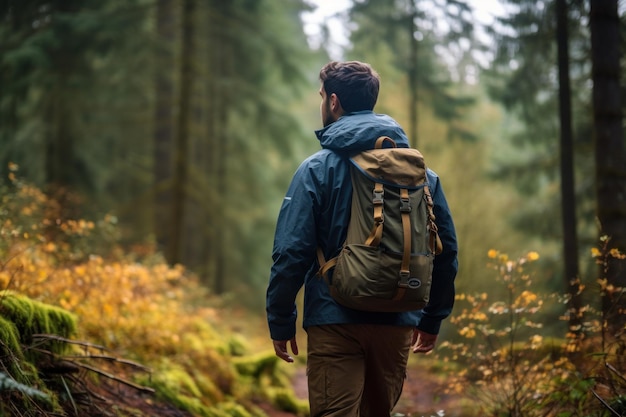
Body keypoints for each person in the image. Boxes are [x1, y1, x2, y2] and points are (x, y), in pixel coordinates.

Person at [266, 61, 458, 417]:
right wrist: (432, 318)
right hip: (399, 316)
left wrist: (280, 318)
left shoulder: (316, 169)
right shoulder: (422, 175)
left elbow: (292, 251)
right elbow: (445, 251)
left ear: (334, 102)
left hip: (334, 316)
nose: (323, 103)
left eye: (323, 97)